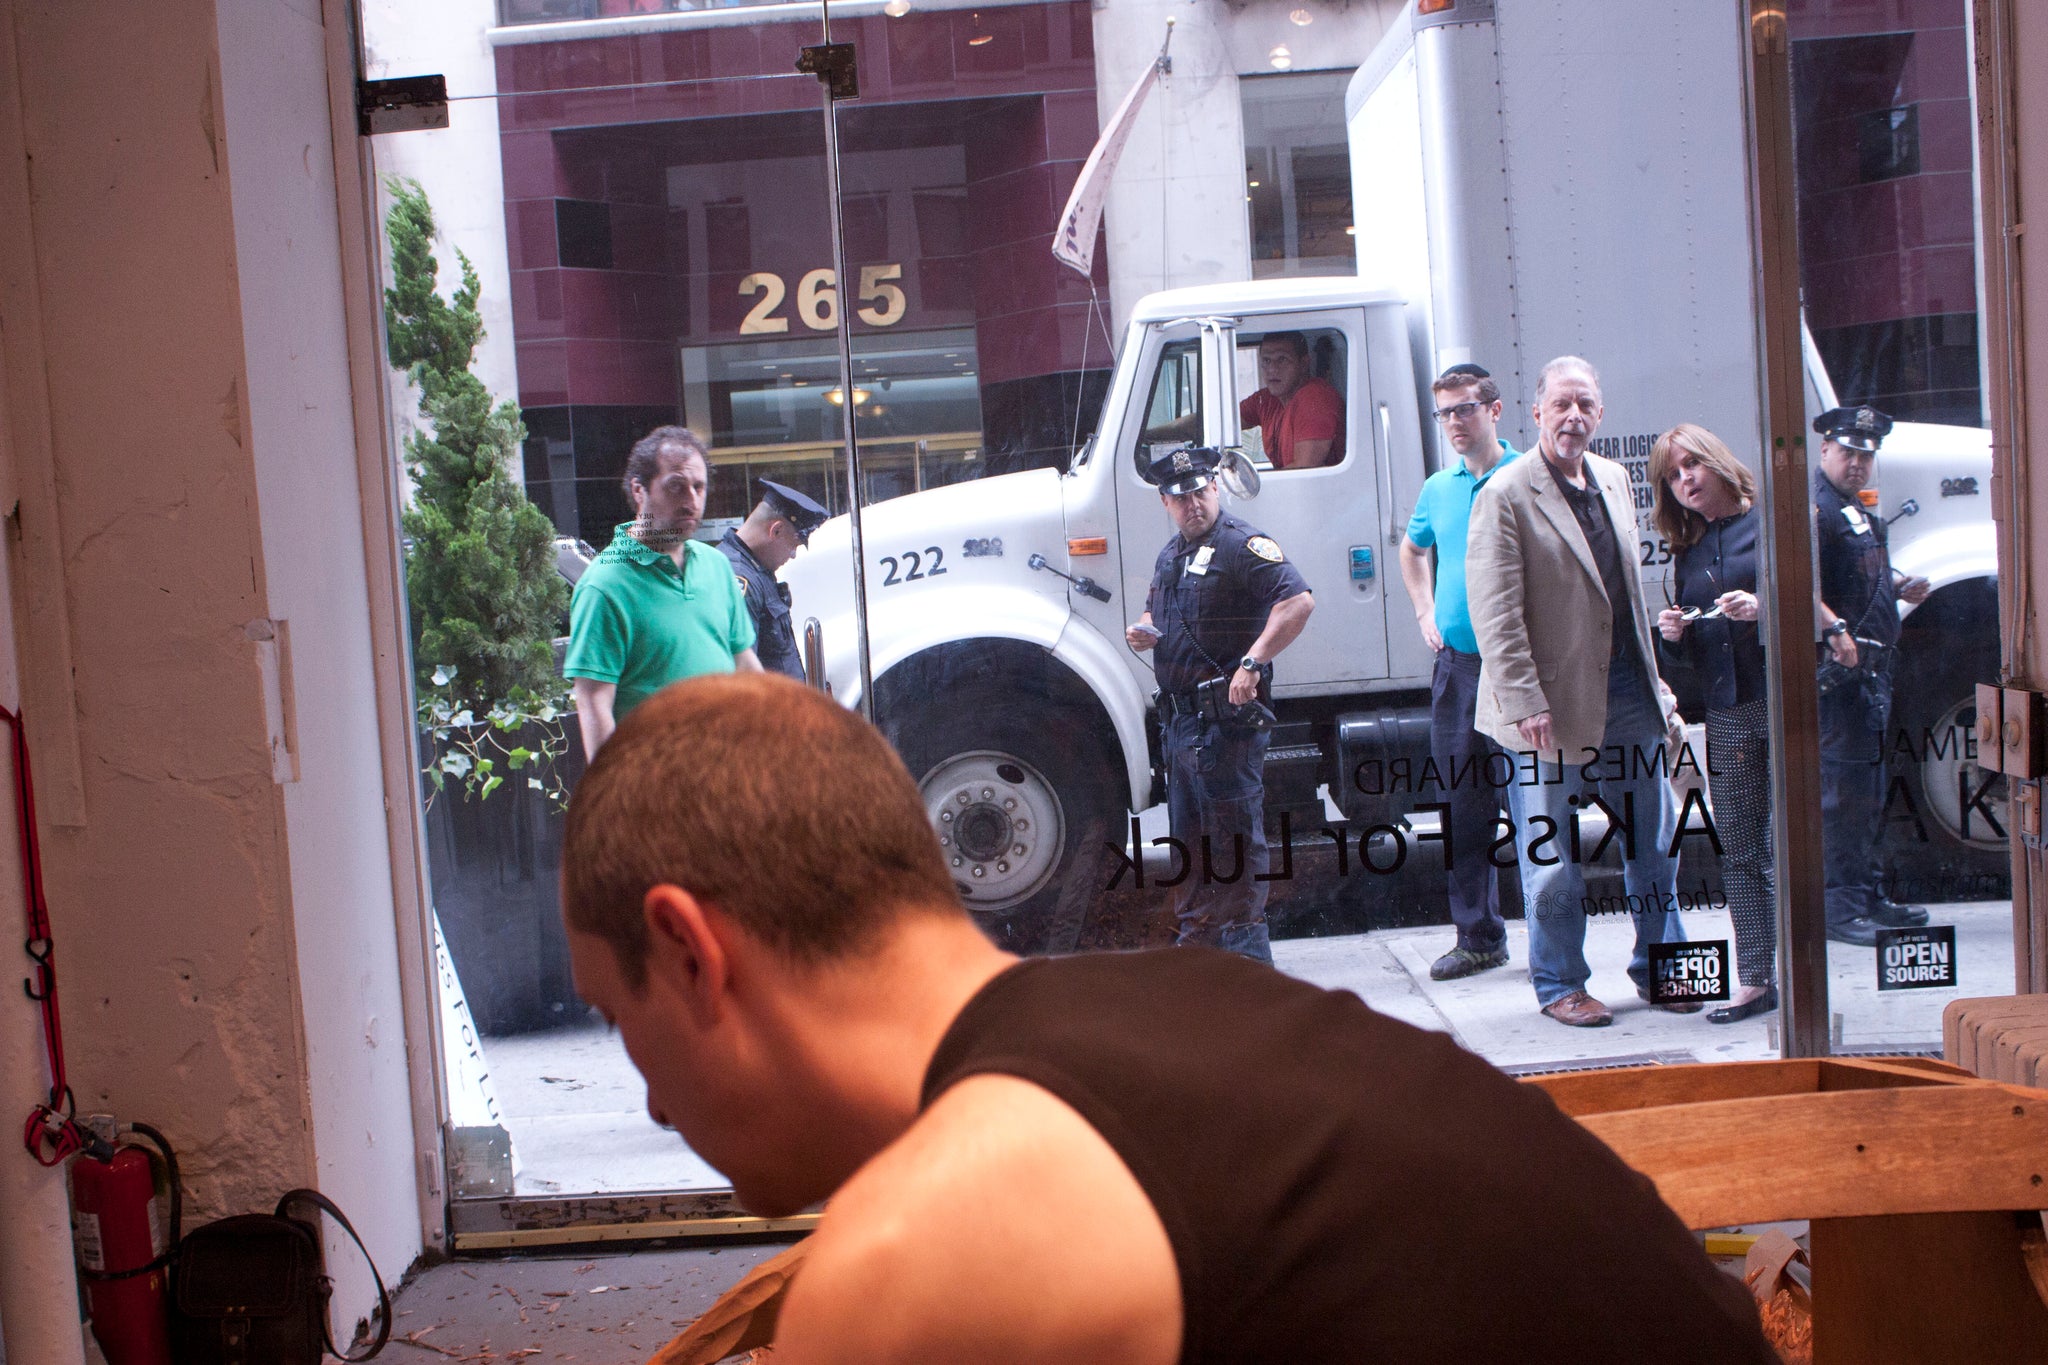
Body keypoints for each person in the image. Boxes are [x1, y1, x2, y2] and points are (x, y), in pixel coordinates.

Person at [560, 673, 1779, 1364]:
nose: (655, 1103)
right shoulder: (1198, 1007)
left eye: (622, 1022)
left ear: (687, 948)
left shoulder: (917, 1256)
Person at [1466, 356, 1690, 1028]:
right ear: (1536, 413)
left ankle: (1665, 968)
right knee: (1553, 860)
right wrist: (1525, 697)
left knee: (1655, 841)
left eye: (1586, 404)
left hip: (1627, 693)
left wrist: (1656, 685)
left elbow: (1626, 592)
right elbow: (1495, 612)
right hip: (1543, 708)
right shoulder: (1505, 494)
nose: (1574, 416)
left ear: (1600, 413)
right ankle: (1561, 983)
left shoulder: (1616, 480)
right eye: (1562, 403)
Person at [1124, 446, 1313, 963]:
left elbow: (1297, 601)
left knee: (1232, 839)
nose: (1194, 505)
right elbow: (1158, 606)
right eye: (1181, 498)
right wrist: (1144, 629)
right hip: (1181, 724)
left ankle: (1248, 960)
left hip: (1224, 725)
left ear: (1216, 488)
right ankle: (1198, 952)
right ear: (1165, 502)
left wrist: (1252, 664)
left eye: (1202, 492)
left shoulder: (1241, 544)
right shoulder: (1171, 555)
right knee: (1189, 840)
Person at [1398, 362, 1522, 981]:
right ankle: (1478, 938)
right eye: (1444, 412)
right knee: (1463, 806)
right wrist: (1426, 609)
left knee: (1533, 809)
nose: (1454, 422)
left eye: (1465, 409)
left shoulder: (1528, 476)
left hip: (1520, 670)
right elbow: (1412, 547)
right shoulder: (1438, 488)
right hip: (1458, 669)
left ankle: (1554, 948)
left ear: (1494, 410)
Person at [1651, 425, 1776, 1024]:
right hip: (1727, 711)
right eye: (1674, 477)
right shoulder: (1690, 552)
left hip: (1783, 704)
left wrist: (1763, 609)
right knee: (1741, 851)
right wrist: (1673, 638)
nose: (1686, 482)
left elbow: (1817, 602)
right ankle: (1755, 979)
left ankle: (1804, 969)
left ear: (1718, 460)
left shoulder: (1771, 524)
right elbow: (1693, 663)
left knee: (1787, 847)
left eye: (1692, 465)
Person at [564, 425, 761, 759]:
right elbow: (593, 702)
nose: (692, 501)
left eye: (699, 487)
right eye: (677, 487)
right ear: (639, 491)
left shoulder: (715, 566)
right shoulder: (604, 585)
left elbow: (744, 666)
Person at [1811, 405, 1932, 947]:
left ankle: (1867, 895)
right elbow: (1799, 582)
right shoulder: (1817, 510)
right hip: (1842, 676)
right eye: (1848, 452)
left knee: (1870, 791)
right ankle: (1838, 906)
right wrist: (1835, 629)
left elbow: (1862, 571)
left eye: (1866, 454)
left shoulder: (1851, 508)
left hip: (1872, 675)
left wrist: (1900, 582)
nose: (1857, 462)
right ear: (1825, 451)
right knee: (1842, 796)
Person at [716, 479, 829, 681]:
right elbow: (741, 676)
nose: (793, 554)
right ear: (775, 530)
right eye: (794, 544)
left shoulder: (757, 570)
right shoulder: (740, 578)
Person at [1237, 331, 1344, 469]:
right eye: (1266, 361)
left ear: (1304, 364)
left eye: (1282, 360)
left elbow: (1305, 469)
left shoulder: (1314, 397)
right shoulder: (1268, 399)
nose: (1272, 369)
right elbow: (1227, 424)